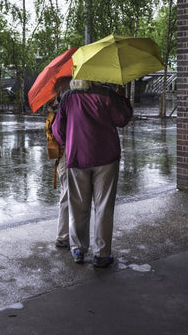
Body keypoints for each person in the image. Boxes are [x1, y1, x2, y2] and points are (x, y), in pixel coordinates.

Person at [52, 79, 132, 267]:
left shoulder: (68, 97)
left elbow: (58, 130)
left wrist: (71, 140)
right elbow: (123, 119)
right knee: (104, 206)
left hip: (78, 157)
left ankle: (78, 249)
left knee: (78, 206)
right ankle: (102, 254)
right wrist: (122, 98)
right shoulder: (107, 93)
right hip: (106, 158)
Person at [47, 76, 72, 249]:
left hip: (64, 158)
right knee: (67, 197)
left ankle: (66, 235)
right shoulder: (61, 109)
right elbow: (60, 134)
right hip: (66, 157)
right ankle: (63, 236)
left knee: (67, 196)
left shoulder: (57, 108)